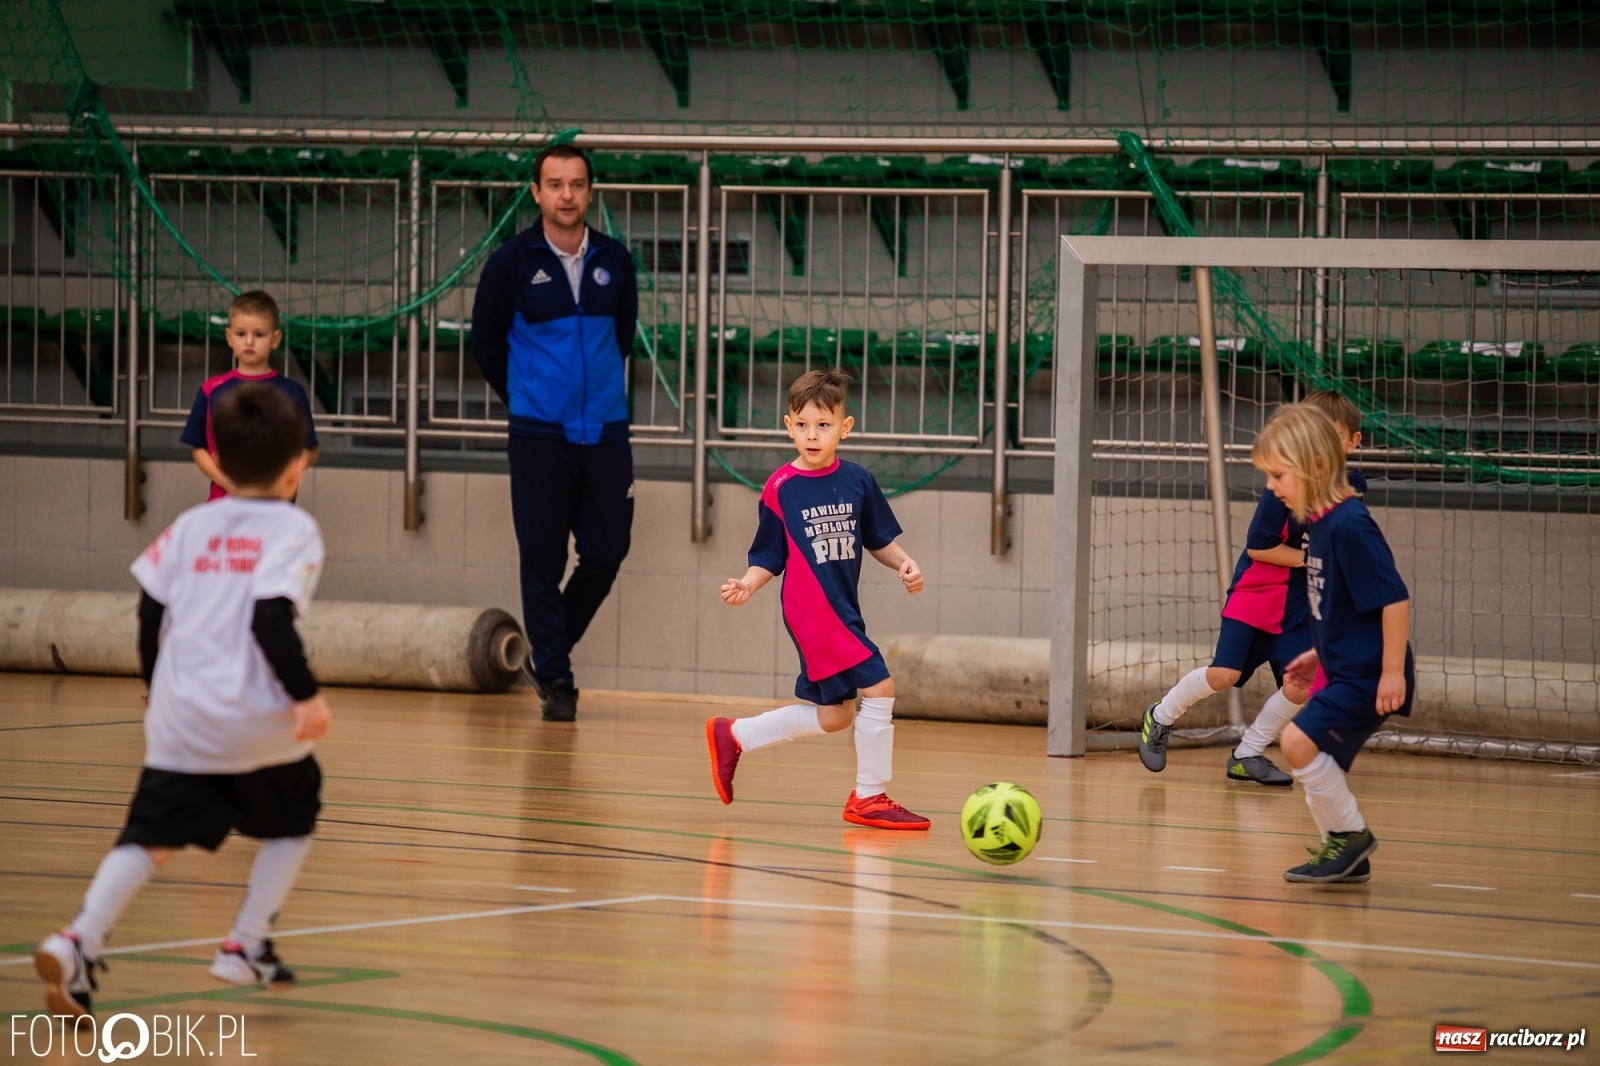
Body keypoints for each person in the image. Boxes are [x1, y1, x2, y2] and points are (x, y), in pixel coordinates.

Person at [34, 383, 330, 1016]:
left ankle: (79, 936)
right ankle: (244, 943)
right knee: (296, 814)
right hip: (254, 716)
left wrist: (153, 685)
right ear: (295, 464)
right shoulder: (295, 528)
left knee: (148, 836)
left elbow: (149, 611)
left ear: (216, 460)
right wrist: (306, 697)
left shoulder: (190, 526)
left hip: (181, 713)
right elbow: (270, 617)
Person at [704, 369, 931, 830]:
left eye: (823, 425)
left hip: (843, 608)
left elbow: (878, 538)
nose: (812, 434)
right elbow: (768, 554)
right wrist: (748, 583)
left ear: (844, 429)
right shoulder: (780, 488)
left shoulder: (858, 481)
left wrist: (905, 562)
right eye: (803, 424)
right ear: (788, 425)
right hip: (812, 612)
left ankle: (735, 735)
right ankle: (869, 796)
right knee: (881, 688)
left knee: (835, 716)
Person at [471, 144, 638, 723]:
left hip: (607, 433)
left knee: (607, 550)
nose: (566, 194)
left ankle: (547, 650)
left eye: (577, 184)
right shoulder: (511, 264)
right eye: (555, 184)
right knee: (541, 558)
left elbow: (622, 337)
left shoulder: (616, 261)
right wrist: (528, 398)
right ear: (537, 193)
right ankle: (559, 682)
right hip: (539, 433)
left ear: (590, 193)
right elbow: (486, 345)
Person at [1138, 388, 1370, 784]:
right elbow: (1260, 548)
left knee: (1301, 685)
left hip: (1298, 604)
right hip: (1256, 596)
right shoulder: (1280, 489)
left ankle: (1248, 753)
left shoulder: (1352, 486)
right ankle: (1160, 716)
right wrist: (1312, 559)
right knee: (1223, 675)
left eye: (1333, 438)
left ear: (1352, 442)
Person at [1264, 404, 1414, 883]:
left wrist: (1391, 672)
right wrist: (1317, 653)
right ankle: (1347, 853)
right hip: (1346, 667)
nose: (1270, 487)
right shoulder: (1321, 524)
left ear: (1316, 467)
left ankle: (1349, 837)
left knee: (1295, 741)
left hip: (1370, 673)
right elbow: (1342, 606)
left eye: (1278, 475)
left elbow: (1394, 600)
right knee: (1308, 750)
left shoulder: (1350, 524)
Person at [180, 290, 318, 500]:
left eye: (259, 334)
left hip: (276, 507)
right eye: (241, 334)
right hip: (224, 504)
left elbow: (310, 449)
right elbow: (199, 448)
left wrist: (280, 477)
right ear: (229, 337)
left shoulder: (292, 392)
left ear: (275, 338)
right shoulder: (211, 389)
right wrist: (225, 481)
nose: (249, 342)